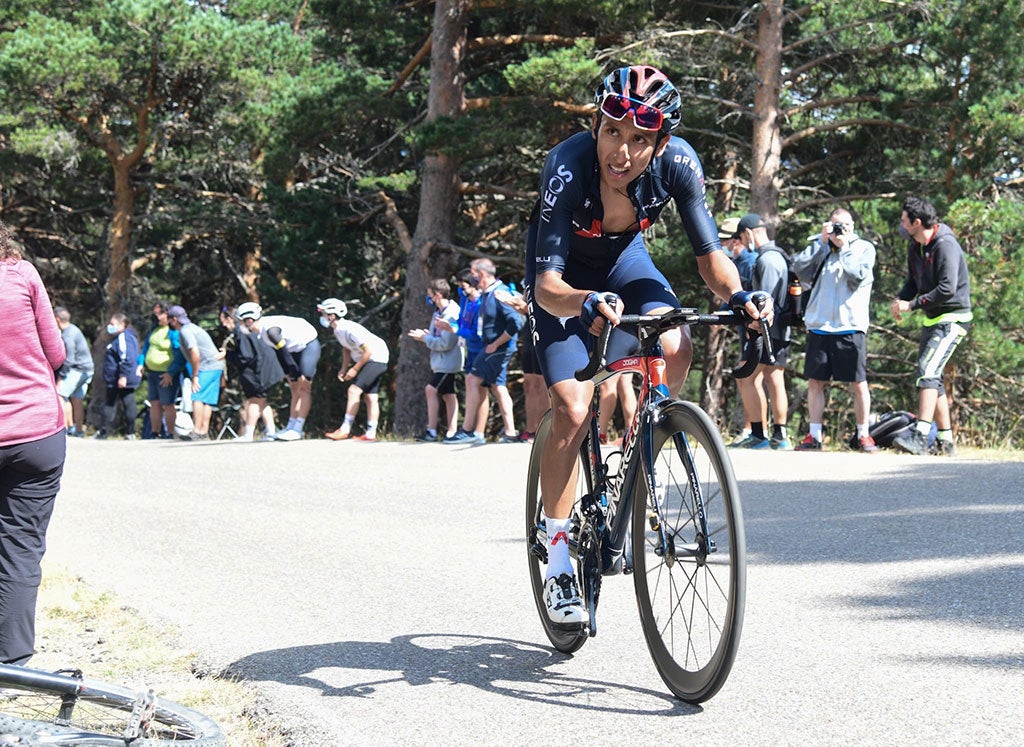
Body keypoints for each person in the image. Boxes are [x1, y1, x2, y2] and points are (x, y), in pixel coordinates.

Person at [524, 65, 767, 625]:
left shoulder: (679, 164)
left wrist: (738, 297)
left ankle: (647, 445)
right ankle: (559, 550)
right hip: (566, 281)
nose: (622, 152)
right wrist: (583, 302)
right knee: (574, 407)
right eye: (613, 131)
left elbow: (710, 257)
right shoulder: (566, 167)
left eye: (639, 140)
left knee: (677, 341)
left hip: (627, 263)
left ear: (660, 143)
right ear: (596, 123)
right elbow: (546, 287)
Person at [0, 221, 67, 666]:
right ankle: (14, 663)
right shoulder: (20, 274)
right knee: (20, 549)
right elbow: (56, 354)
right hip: (34, 433)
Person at [890, 195, 972, 456]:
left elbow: (947, 289)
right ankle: (946, 443)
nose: (901, 225)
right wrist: (900, 299)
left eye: (904, 221)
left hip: (953, 319)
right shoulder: (915, 245)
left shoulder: (945, 245)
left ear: (917, 222)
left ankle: (920, 436)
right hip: (932, 318)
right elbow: (913, 281)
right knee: (932, 378)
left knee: (927, 372)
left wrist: (912, 306)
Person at [791, 208, 878, 452]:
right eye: (836, 225)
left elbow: (857, 275)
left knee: (858, 383)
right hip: (820, 326)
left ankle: (863, 435)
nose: (840, 230)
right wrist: (821, 242)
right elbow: (798, 268)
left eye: (845, 225)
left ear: (853, 226)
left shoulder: (863, 248)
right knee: (815, 382)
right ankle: (814, 435)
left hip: (850, 326)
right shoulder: (822, 247)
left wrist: (844, 247)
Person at [729, 213, 792, 450]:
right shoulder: (781, 256)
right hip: (781, 330)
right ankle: (780, 434)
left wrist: (753, 327)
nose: (745, 245)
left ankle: (758, 433)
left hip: (765, 329)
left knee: (746, 377)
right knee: (774, 378)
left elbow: (765, 298)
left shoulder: (766, 260)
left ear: (747, 234)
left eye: (743, 240)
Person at [443, 258, 523, 445]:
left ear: (483, 274)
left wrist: (496, 344)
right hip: (491, 347)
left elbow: (516, 323)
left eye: (473, 272)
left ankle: (468, 430)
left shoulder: (499, 293)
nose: (471, 276)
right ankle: (511, 432)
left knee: (472, 379)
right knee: (497, 387)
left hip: (496, 349)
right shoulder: (487, 293)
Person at [240, 305, 321, 441]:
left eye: (241, 322)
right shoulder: (263, 333)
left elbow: (283, 350)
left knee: (304, 387)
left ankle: (298, 429)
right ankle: (290, 426)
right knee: (294, 388)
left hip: (308, 345)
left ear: (249, 320)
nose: (240, 326)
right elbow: (280, 353)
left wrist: (293, 369)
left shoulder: (271, 331)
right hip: (293, 350)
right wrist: (289, 372)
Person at [318, 298, 390, 442]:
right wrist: (344, 368)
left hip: (376, 358)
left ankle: (345, 429)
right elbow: (347, 348)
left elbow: (368, 351)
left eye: (324, 313)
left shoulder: (348, 328)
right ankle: (371, 433)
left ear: (332, 315)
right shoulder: (338, 330)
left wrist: (355, 370)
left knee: (353, 390)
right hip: (370, 359)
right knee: (371, 397)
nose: (322, 316)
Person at [436, 269, 488, 442]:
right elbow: (461, 321)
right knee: (477, 388)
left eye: (463, 286)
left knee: (480, 386)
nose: (461, 289)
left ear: (473, 284)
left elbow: (477, 333)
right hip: (470, 349)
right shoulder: (466, 299)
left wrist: (455, 330)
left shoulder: (481, 303)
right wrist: (450, 324)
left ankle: (472, 430)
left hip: (481, 348)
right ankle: (476, 433)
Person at [408, 279, 463, 442]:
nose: (428, 298)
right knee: (448, 395)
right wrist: (427, 335)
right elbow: (436, 336)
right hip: (440, 362)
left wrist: (425, 338)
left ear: (438, 295)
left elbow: (447, 343)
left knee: (430, 390)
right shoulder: (438, 312)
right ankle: (451, 431)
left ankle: (431, 431)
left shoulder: (452, 312)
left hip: (448, 362)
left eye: (430, 295)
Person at [718, 217, 756, 445]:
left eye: (724, 241)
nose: (722, 247)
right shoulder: (739, 261)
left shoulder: (749, 262)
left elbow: (743, 293)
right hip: (744, 328)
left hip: (753, 328)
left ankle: (754, 430)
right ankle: (750, 429)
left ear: (736, 241)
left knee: (750, 376)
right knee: (747, 377)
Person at [219, 304, 283, 441]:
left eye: (223, 321)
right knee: (262, 400)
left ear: (230, 319)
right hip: (267, 366)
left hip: (257, 369)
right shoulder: (245, 329)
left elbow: (245, 355)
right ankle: (271, 432)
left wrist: (228, 355)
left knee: (254, 400)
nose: (224, 325)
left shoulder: (240, 331)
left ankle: (248, 434)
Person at [495, 284, 549, 443]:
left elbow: (542, 309)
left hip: (545, 334)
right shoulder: (530, 277)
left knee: (543, 385)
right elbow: (525, 307)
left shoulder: (551, 271)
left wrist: (518, 304)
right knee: (529, 385)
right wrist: (514, 304)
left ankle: (543, 430)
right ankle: (530, 430)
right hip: (529, 335)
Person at [162, 305, 224, 441]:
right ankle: (203, 431)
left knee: (197, 397)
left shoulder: (185, 331)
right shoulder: (193, 328)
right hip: (216, 365)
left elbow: (194, 353)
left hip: (206, 366)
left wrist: (195, 375)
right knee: (207, 400)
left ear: (174, 319)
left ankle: (196, 431)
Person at [136, 301, 179, 440]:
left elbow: (179, 354)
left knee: (167, 403)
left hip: (166, 373)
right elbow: (146, 348)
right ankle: (154, 432)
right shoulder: (154, 329)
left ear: (167, 314)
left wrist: (171, 372)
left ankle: (170, 432)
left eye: (159, 314)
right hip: (152, 372)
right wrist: (141, 363)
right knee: (154, 402)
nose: (157, 317)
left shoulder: (173, 332)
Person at [96, 312, 141, 439]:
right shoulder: (118, 338)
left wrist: (123, 376)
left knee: (126, 402)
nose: (110, 326)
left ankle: (130, 432)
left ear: (122, 325)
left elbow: (127, 358)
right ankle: (104, 431)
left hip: (121, 378)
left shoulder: (124, 337)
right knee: (111, 403)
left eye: (112, 324)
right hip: (114, 378)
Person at [52, 306, 94, 438]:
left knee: (60, 395)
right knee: (76, 399)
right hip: (87, 369)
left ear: (57, 319)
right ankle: (77, 430)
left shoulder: (68, 335)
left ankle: (63, 430)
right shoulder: (74, 329)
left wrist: (61, 378)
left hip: (77, 369)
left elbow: (69, 359)